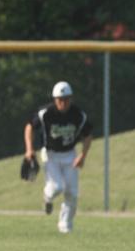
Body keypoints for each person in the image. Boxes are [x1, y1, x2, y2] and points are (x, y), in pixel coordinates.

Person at [23, 81, 93, 233]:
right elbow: (29, 126)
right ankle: (47, 199)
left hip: (70, 154)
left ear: (71, 99)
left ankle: (65, 225)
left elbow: (87, 136)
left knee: (72, 193)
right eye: (60, 99)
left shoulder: (78, 114)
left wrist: (83, 155)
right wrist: (29, 149)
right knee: (57, 188)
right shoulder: (46, 113)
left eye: (66, 98)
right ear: (55, 99)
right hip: (50, 154)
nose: (63, 102)